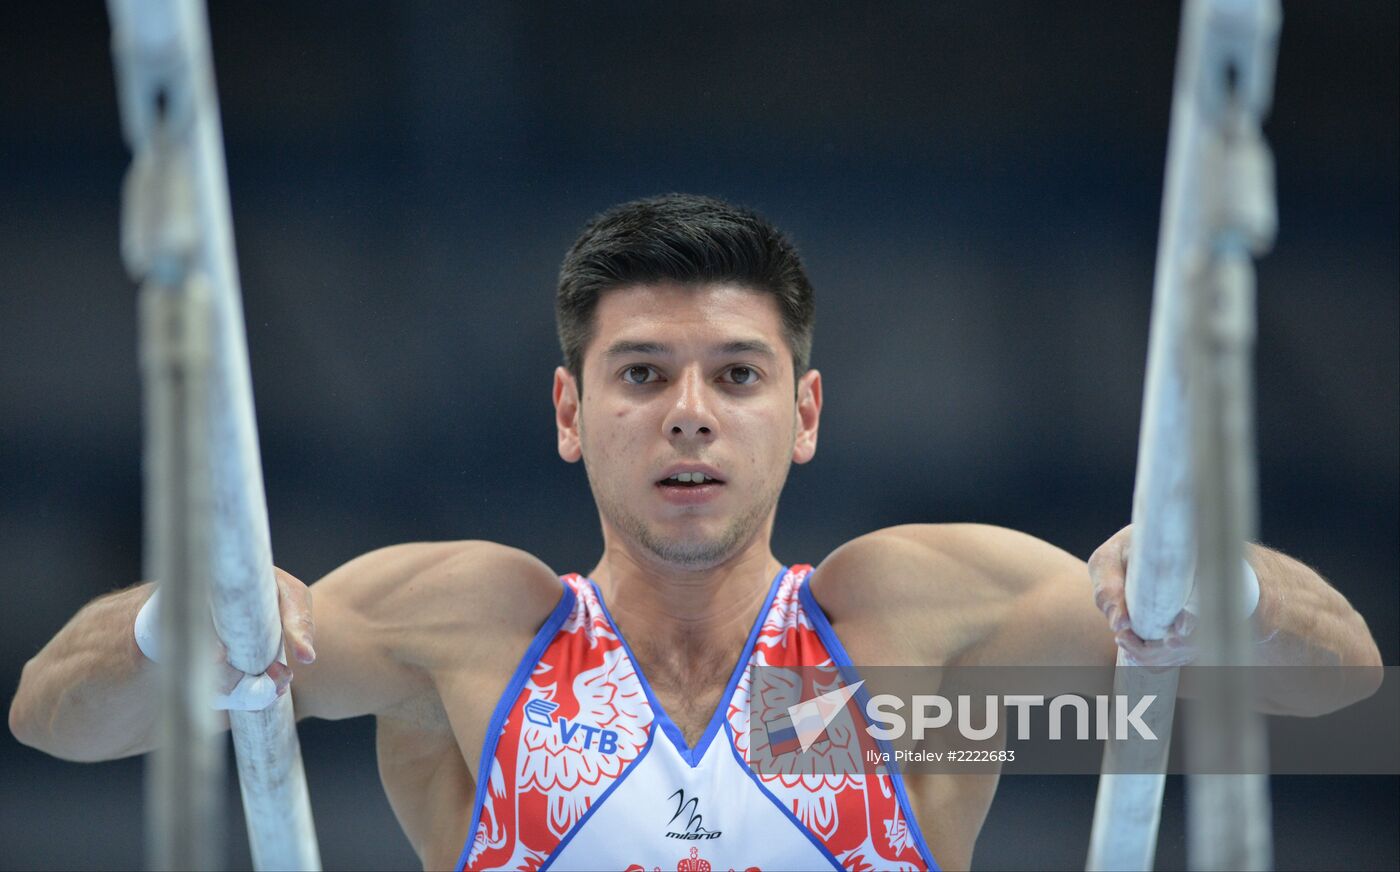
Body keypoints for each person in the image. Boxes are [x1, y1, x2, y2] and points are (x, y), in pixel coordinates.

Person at [9, 194, 1383, 871]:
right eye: (641, 373)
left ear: (805, 414)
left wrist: (1232, 585)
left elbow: (1342, 688)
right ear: (569, 409)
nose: (688, 416)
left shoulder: (901, 629)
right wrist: (170, 624)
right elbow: (54, 720)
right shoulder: (470, 629)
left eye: (734, 376)